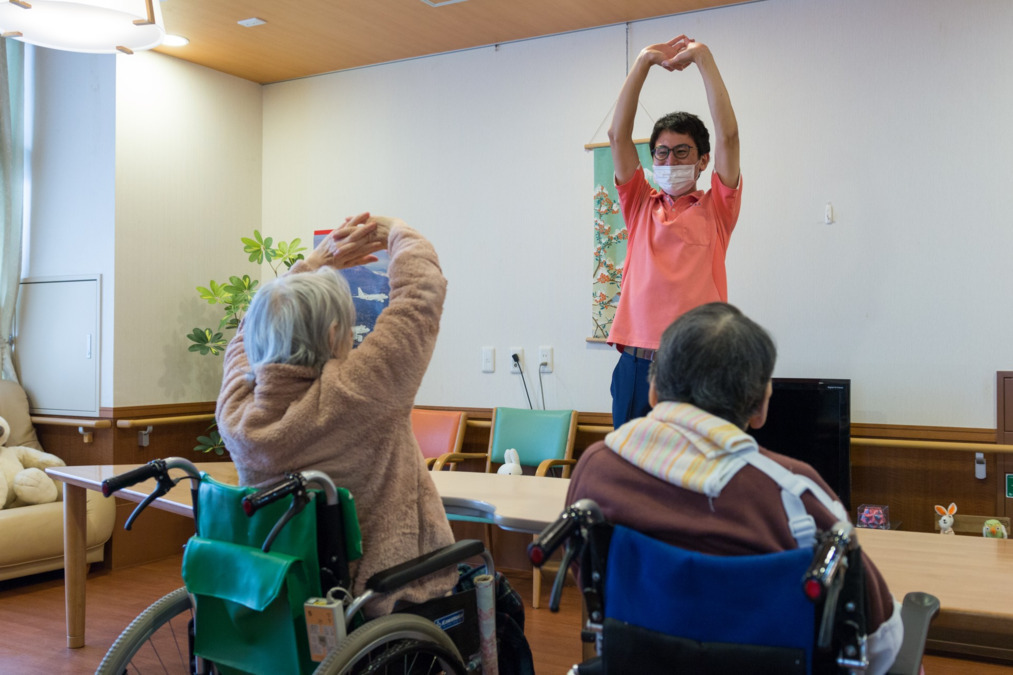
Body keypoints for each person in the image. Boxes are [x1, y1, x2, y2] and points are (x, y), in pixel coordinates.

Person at [567, 303, 904, 674]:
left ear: (653, 389)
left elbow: (587, 576)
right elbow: (880, 642)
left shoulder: (598, 468)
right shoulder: (794, 494)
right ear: (761, 406)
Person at [216, 212, 458, 617]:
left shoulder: (237, 411)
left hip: (284, 596)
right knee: (498, 599)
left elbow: (242, 338)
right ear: (333, 336)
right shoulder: (360, 391)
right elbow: (421, 296)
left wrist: (312, 264)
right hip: (385, 598)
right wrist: (396, 230)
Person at [607, 35, 742, 427]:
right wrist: (645, 61)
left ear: (702, 161)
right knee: (631, 477)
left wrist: (703, 57)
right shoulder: (639, 205)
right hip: (636, 365)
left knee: (694, 479)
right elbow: (618, 136)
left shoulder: (717, 208)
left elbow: (728, 137)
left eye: (681, 151)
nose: (669, 159)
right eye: (661, 152)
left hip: (697, 367)